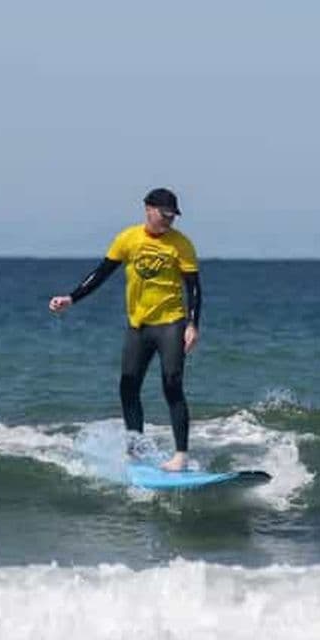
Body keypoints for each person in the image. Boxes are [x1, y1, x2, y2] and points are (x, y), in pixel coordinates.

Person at [49, 188, 201, 471]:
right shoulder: (128, 239)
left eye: (172, 216)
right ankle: (136, 451)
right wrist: (71, 298)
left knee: (172, 384)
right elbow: (101, 273)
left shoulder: (181, 244)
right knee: (128, 386)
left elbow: (193, 288)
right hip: (138, 326)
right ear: (148, 209)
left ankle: (181, 455)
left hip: (171, 323)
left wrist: (192, 324)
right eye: (164, 214)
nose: (169, 220)